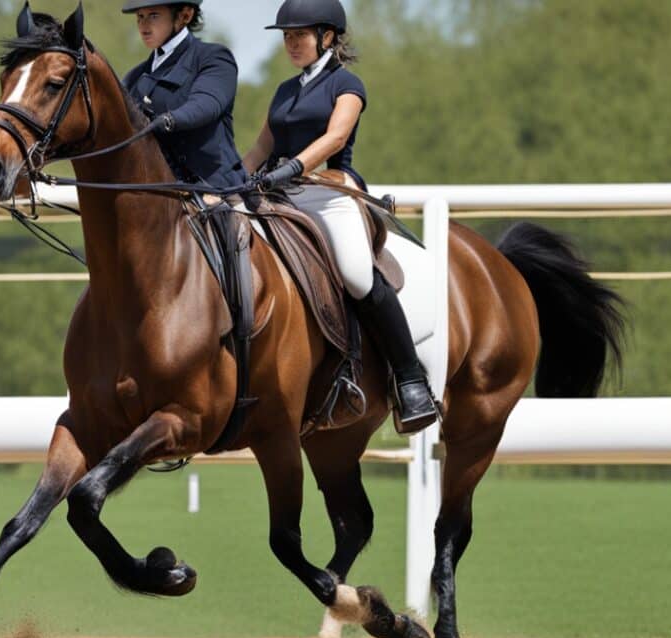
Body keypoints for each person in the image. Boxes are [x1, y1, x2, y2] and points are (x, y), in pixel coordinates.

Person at [241, 0, 438, 433]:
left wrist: (292, 167)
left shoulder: (346, 84)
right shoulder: (284, 91)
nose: (291, 44)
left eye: (299, 35)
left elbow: (335, 136)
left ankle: (409, 378)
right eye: (287, 37)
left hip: (328, 193)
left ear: (327, 37)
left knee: (356, 274)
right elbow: (259, 148)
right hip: (281, 194)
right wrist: (233, 180)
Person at [121, 0, 248, 190]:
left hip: (214, 186)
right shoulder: (134, 77)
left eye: (153, 15)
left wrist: (168, 120)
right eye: (140, 17)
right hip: (159, 190)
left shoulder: (213, 58)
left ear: (184, 16)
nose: (144, 26)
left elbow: (206, 104)